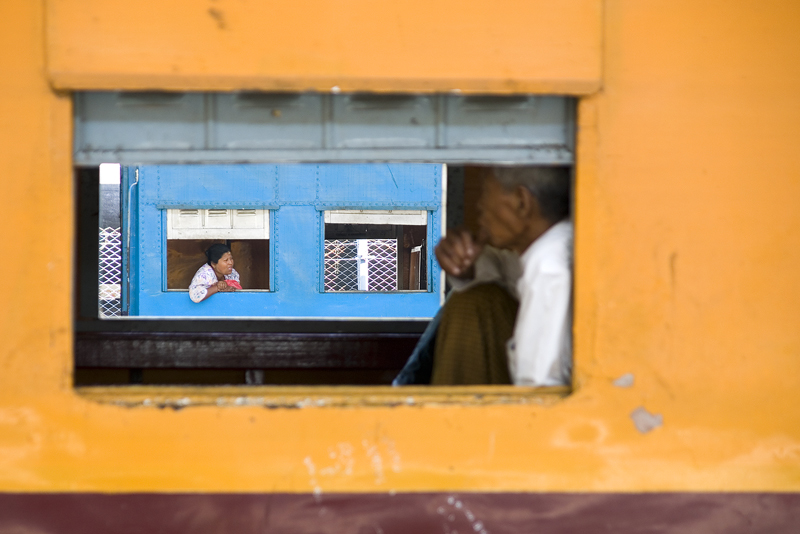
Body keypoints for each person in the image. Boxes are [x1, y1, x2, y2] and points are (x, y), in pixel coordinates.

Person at [393, 166, 572, 386]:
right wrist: (465, 265)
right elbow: (499, 268)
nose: (479, 207)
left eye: (486, 193)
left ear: (522, 202)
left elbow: (537, 385)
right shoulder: (550, 247)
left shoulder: (549, 265)